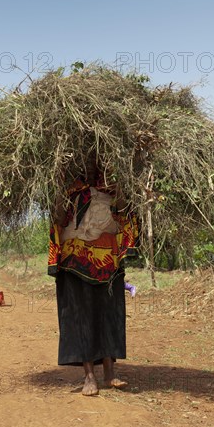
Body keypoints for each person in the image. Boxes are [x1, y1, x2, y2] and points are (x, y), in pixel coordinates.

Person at [48, 164, 138, 396]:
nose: (89, 170)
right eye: (84, 164)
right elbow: (58, 219)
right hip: (75, 260)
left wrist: (120, 193)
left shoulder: (112, 189)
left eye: (94, 163)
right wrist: (59, 195)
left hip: (109, 260)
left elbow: (125, 214)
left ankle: (110, 373)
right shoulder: (68, 191)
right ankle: (89, 377)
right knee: (81, 316)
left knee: (109, 313)